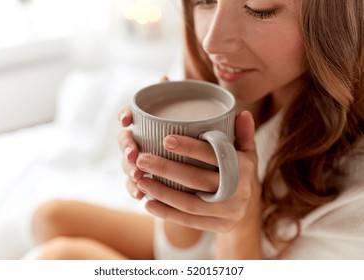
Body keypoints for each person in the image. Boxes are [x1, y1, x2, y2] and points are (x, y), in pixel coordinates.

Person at [28, 0, 364, 259]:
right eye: (204, 0)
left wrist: (239, 217)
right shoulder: (226, 78)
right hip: (205, 254)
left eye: (258, 9)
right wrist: (168, 184)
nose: (211, 42)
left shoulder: (355, 198)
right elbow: (178, 257)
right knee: (48, 217)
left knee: (59, 258)